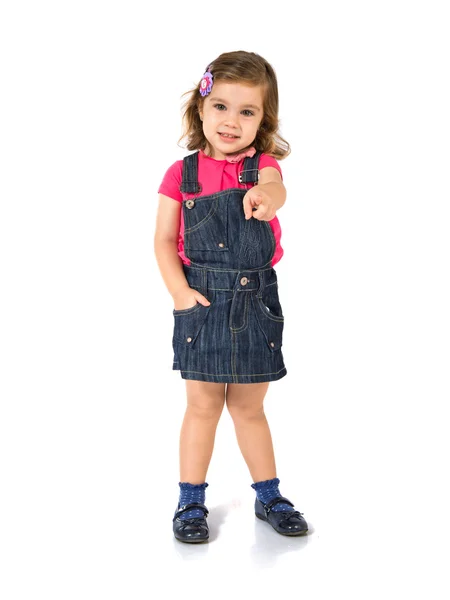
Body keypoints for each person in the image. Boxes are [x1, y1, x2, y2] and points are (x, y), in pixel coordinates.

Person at [154, 50, 308, 543]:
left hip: (254, 300)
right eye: (220, 106)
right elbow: (162, 240)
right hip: (199, 300)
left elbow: (275, 187)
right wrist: (179, 292)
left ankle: (269, 495)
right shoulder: (183, 175)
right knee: (201, 407)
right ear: (200, 109)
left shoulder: (262, 167)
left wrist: (267, 198)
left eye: (248, 112)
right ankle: (191, 499)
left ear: (264, 120)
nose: (231, 121)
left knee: (248, 408)